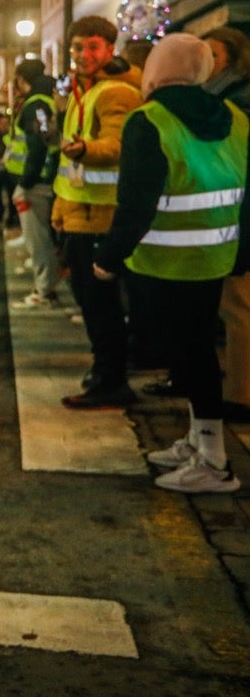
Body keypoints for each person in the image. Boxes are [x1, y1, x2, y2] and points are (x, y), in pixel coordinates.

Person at [95, 33, 248, 493]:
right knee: (195, 351)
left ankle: (215, 462)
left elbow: (136, 201)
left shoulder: (150, 120)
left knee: (193, 355)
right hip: (215, 252)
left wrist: (109, 257)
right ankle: (199, 441)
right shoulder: (235, 117)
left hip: (164, 260)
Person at [53, 16, 144, 408]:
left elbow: (119, 145)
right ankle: (105, 371)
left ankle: (111, 380)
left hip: (100, 216)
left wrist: (87, 151)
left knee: (99, 304)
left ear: (111, 49)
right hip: (82, 211)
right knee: (92, 301)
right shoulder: (83, 91)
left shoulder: (114, 93)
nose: (84, 55)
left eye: (93, 47)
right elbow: (68, 167)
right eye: (78, 48)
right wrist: (61, 208)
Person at [204, 27, 250, 421]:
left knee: (240, 308)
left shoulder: (235, 101)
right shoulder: (223, 97)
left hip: (240, 216)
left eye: (213, 56)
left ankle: (241, 395)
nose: (207, 64)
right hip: (233, 215)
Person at [7, 59, 64, 308]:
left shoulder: (35, 105)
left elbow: (38, 143)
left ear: (21, 79)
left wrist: (27, 180)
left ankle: (44, 290)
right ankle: (46, 285)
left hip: (38, 181)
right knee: (44, 236)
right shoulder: (47, 100)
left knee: (38, 238)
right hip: (48, 177)